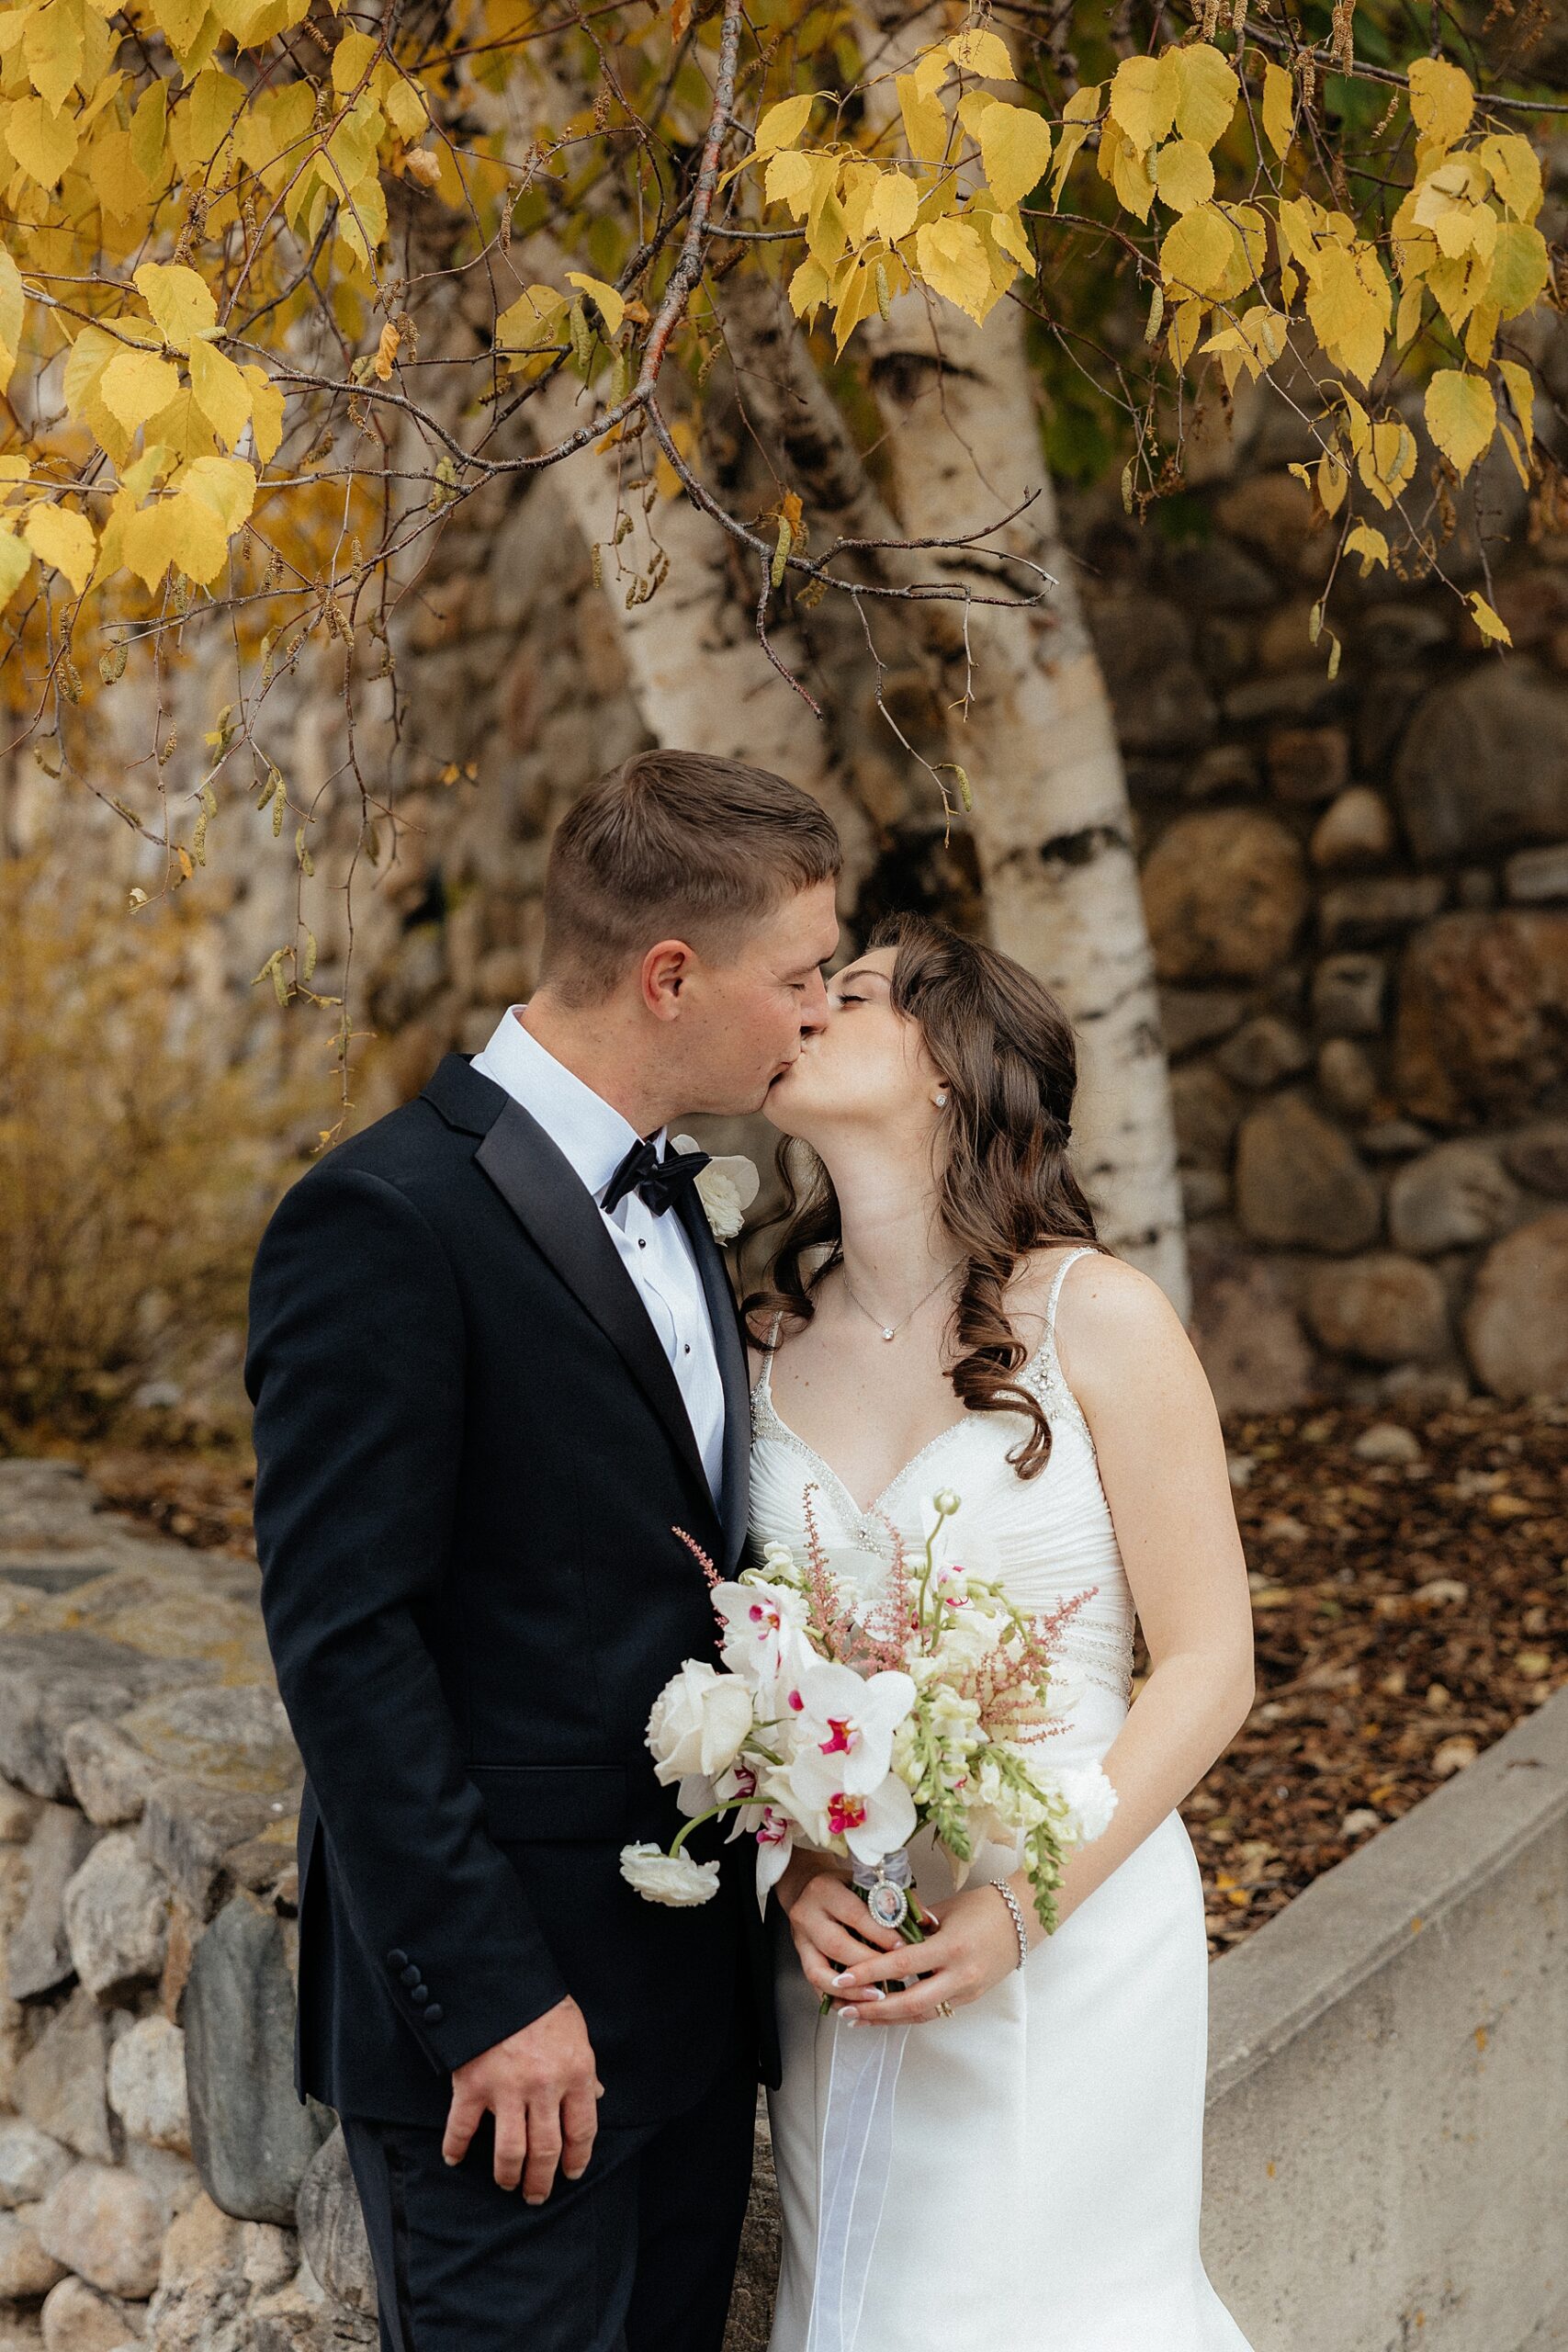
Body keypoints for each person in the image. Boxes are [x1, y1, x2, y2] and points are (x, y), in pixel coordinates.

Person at [244, 750, 841, 2352]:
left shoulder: (686, 1204)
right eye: (797, 978)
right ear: (670, 975)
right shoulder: (385, 1217)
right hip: (509, 2062)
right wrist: (495, 2002)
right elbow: (344, 1640)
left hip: (689, 2036)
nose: (817, 1016)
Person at [748, 911, 1258, 2350]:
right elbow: (743, 1670)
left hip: (1074, 1939)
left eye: (847, 994)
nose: (802, 1013)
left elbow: (1213, 1664)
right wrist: (795, 1877)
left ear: (950, 1069)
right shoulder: (757, 1346)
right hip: (851, 1958)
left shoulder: (1099, 1318)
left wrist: (1023, 1906)